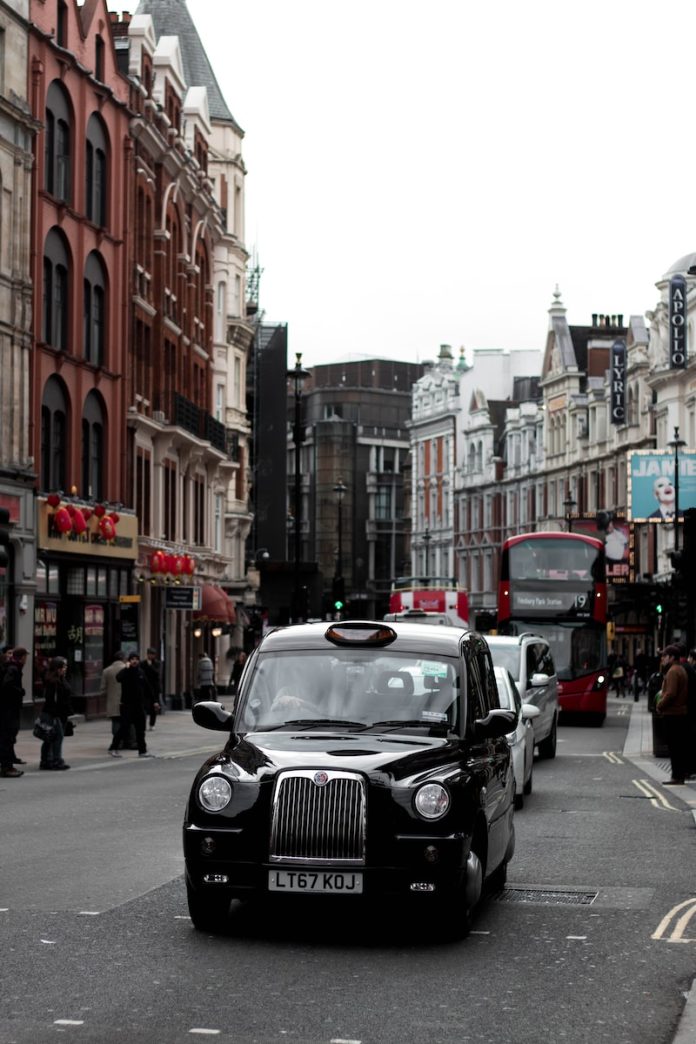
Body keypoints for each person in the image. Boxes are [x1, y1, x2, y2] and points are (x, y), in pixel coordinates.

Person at [655, 644, 689, 785]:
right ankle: (678, 775)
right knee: (678, 746)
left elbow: (671, 694)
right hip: (679, 713)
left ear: (672, 657)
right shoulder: (680, 669)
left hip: (673, 714)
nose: (662, 658)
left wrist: (659, 705)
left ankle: (676, 776)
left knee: (674, 747)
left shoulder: (673, 671)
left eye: (665, 656)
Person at [113, 653, 154, 757]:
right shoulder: (126, 672)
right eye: (132, 659)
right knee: (124, 727)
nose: (134, 661)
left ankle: (142, 751)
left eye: (136, 659)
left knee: (140, 730)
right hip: (127, 705)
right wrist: (126, 669)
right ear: (129, 661)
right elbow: (118, 678)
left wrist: (155, 701)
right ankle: (113, 747)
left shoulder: (141, 672)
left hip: (139, 705)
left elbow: (148, 687)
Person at [40, 656, 73, 771]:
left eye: (66, 666)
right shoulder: (53, 681)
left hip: (60, 713)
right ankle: (56, 760)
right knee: (56, 737)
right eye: (63, 667)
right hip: (54, 714)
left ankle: (46, 760)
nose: (65, 669)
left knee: (50, 737)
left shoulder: (61, 679)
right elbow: (51, 700)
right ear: (57, 668)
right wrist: (55, 715)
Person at [0, 647, 28, 778]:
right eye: (25, 656)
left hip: (8, 708)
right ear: (21, 657)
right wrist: (19, 691)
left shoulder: (13, 668)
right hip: (9, 709)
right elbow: (7, 685)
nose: (26, 659)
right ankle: (7, 767)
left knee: (9, 737)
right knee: (8, 737)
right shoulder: (13, 669)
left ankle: (8, 765)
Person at [101, 650, 127, 757]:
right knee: (127, 722)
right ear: (123, 659)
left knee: (115, 721)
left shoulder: (106, 671)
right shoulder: (127, 669)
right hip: (126, 700)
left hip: (112, 701)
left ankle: (117, 742)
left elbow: (102, 689)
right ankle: (127, 742)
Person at [141, 647, 163, 729]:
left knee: (154, 707)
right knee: (144, 706)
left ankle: (152, 724)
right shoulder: (142, 663)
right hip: (145, 688)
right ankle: (143, 723)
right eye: (149, 654)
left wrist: (150, 666)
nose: (151, 656)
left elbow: (157, 674)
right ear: (147, 654)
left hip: (154, 688)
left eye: (152, 654)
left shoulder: (157, 663)